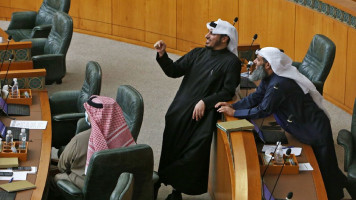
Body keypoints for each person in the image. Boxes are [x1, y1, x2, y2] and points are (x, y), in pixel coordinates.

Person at [216, 47, 348, 200]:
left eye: (258, 60)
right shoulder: (269, 77)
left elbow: (263, 109)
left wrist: (235, 113)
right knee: (326, 166)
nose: (255, 63)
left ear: (268, 65)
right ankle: (342, 184)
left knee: (326, 169)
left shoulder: (278, 84)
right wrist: (233, 106)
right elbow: (256, 97)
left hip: (314, 129)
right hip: (302, 124)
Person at [154, 18, 241, 200]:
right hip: (178, 112)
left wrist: (205, 102)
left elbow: (228, 91)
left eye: (212, 34)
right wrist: (163, 55)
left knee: (192, 155)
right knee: (172, 148)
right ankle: (165, 184)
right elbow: (174, 70)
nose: (206, 36)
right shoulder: (197, 53)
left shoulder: (231, 62)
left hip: (201, 117)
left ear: (224, 39)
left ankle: (177, 190)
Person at [47, 95, 135, 199]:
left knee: (54, 178)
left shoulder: (79, 140)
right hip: (117, 186)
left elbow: (62, 166)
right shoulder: (125, 137)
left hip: (89, 187)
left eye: (88, 112)